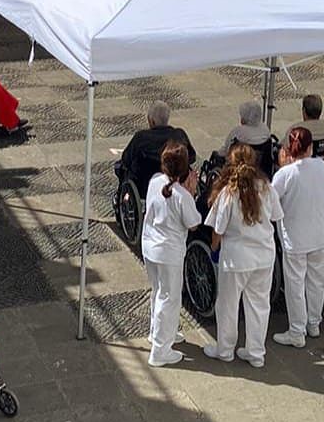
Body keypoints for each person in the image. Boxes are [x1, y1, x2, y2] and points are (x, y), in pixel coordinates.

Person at [204, 144, 283, 368]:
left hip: (236, 258)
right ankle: (256, 352)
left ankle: (225, 349)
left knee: (228, 305)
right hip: (264, 256)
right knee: (259, 305)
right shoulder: (267, 188)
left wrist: (213, 248)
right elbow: (276, 216)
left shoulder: (229, 192)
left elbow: (218, 229)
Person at [269, 127, 324, 348]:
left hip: (295, 236)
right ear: (311, 147)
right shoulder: (321, 166)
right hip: (319, 233)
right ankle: (313, 322)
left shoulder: (284, 174)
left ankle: (297, 329)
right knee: (317, 281)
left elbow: (270, 201)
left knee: (296, 283)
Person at [142, 142, 200, 367]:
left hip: (150, 246)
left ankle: (158, 332)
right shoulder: (181, 196)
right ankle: (160, 349)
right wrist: (192, 192)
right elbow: (194, 223)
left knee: (158, 292)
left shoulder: (155, 182)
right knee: (170, 297)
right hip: (169, 252)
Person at [119, 100, 196, 196]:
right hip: (176, 180)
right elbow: (192, 157)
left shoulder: (141, 138)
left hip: (144, 185)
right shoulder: (179, 135)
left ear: (151, 121)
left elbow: (126, 159)